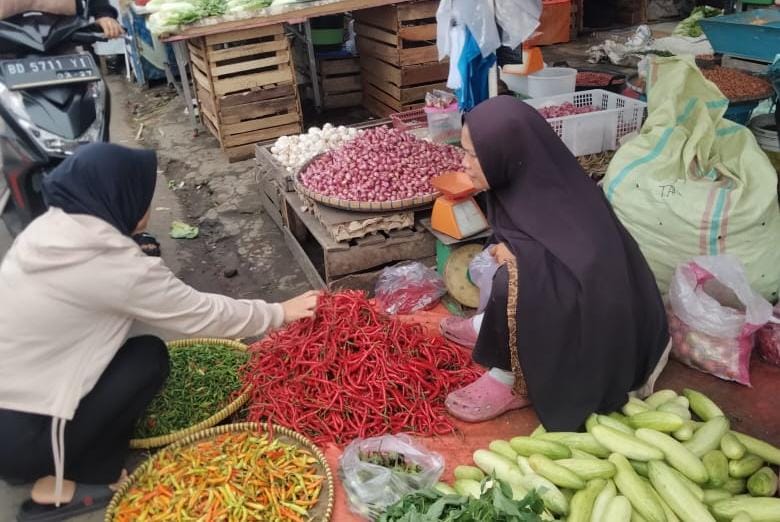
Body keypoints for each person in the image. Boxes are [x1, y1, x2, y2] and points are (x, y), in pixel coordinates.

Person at [0, 143, 320, 521]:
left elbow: (98, 289)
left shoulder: (53, 228)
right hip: (24, 438)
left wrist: (136, 250)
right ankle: (63, 489)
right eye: (143, 198)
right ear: (124, 201)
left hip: (14, 406)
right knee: (147, 360)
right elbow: (199, 313)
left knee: (145, 352)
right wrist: (279, 312)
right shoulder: (114, 268)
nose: (147, 207)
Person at [441, 96, 671, 431]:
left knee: (512, 277)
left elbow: (588, 269)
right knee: (501, 256)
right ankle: (487, 328)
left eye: (472, 155)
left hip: (602, 316)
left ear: (504, 151)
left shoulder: (562, 196)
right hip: (574, 288)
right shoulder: (517, 178)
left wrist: (521, 256)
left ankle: (512, 379)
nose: (464, 163)